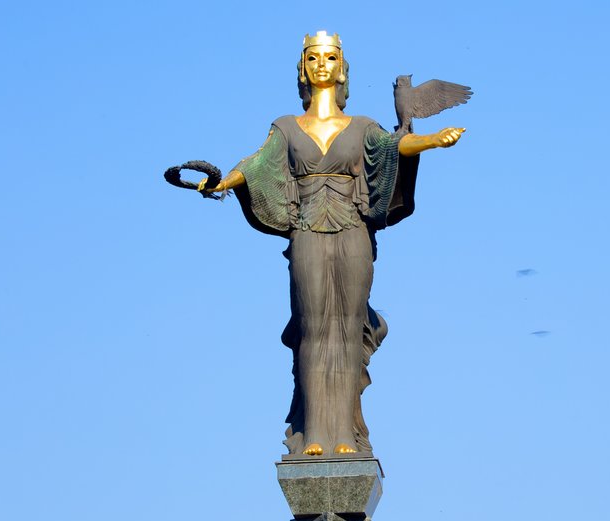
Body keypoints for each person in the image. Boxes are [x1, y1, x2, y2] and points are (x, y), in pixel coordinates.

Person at [199, 31, 464, 456]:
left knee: (345, 328)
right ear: (303, 68)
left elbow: (393, 146)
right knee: (313, 329)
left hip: (352, 230)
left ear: (342, 69)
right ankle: (315, 432)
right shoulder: (286, 127)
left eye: (330, 58)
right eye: (313, 58)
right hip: (306, 230)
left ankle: (344, 431)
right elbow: (255, 164)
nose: (322, 64)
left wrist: (432, 140)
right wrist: (220, 183)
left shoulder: (360, 127)